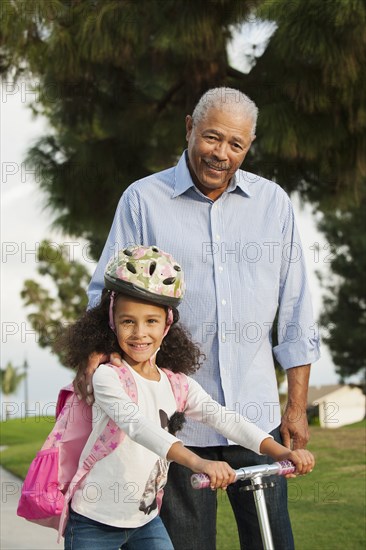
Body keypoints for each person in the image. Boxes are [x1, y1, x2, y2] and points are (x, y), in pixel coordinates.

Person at [79, 87, 320, 549]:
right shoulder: (142, 200)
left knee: (274, 543)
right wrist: (103, 371)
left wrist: (295, 405)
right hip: (175, 421)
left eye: (236, 144)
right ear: (189, 127)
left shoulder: (273, 205)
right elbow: (106, 296)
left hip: (256, 418)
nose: (222, 154)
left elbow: (295, 310)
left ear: (248, 147)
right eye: (212, 138)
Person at [63, 244, 314, 550]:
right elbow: (139, 427)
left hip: (145, 520)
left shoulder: (177, 384)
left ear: (167, 324)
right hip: (94, 520)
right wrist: (199, 463)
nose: (140, 333)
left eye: (151, 321)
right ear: (113, 321)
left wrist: (279, 452)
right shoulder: (108, 377)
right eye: (128, 321)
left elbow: (223, 418)